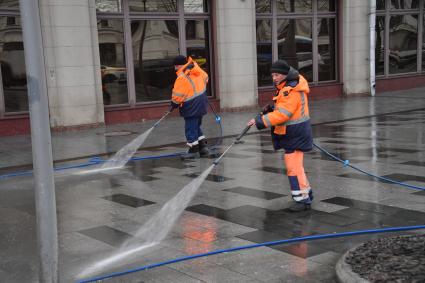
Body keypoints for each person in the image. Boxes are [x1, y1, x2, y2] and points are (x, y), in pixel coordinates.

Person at [248, 60, 314, 212]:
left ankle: (302, 201)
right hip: (295, 133)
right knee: (297, 167)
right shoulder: (288, 86)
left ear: (285, 75)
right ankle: (306, 194)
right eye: (272, 75)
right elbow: (283, 107)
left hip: (295, 133)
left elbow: (283, 115)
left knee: (293, 168)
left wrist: (260, 121)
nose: (274, 78)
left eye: (277, 75)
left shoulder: (291, 90)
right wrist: (271, 108)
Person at [170, 55, 211, 158]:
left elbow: (178, 95)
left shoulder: (182, 76)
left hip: (191, 105)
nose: (175, 68)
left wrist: (174, 104)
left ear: (181, 65)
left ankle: (193, 151)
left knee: (190, 127)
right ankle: (202, 147)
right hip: (201, 102)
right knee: (196, 125)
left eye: (176, 66)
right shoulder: (196, 69)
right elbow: (206, 78)